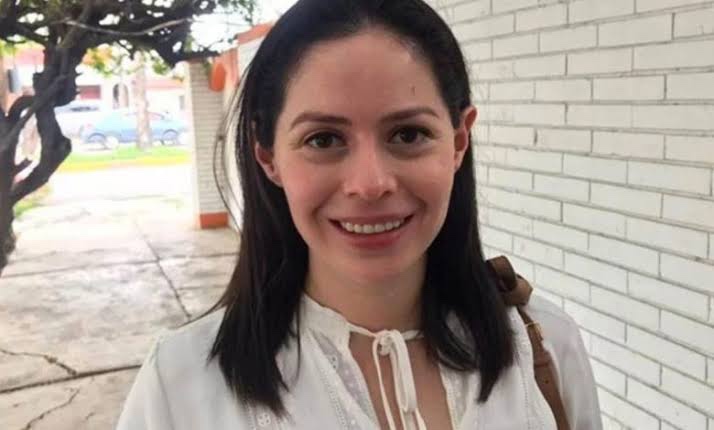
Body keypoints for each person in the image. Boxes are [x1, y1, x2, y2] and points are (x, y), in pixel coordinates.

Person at [117, 0, 602, 429]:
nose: (370, 184)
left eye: (408, 134)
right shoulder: (179, 387)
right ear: (267, 155)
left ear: (458, 141)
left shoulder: (545, 347)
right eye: (323, 139)